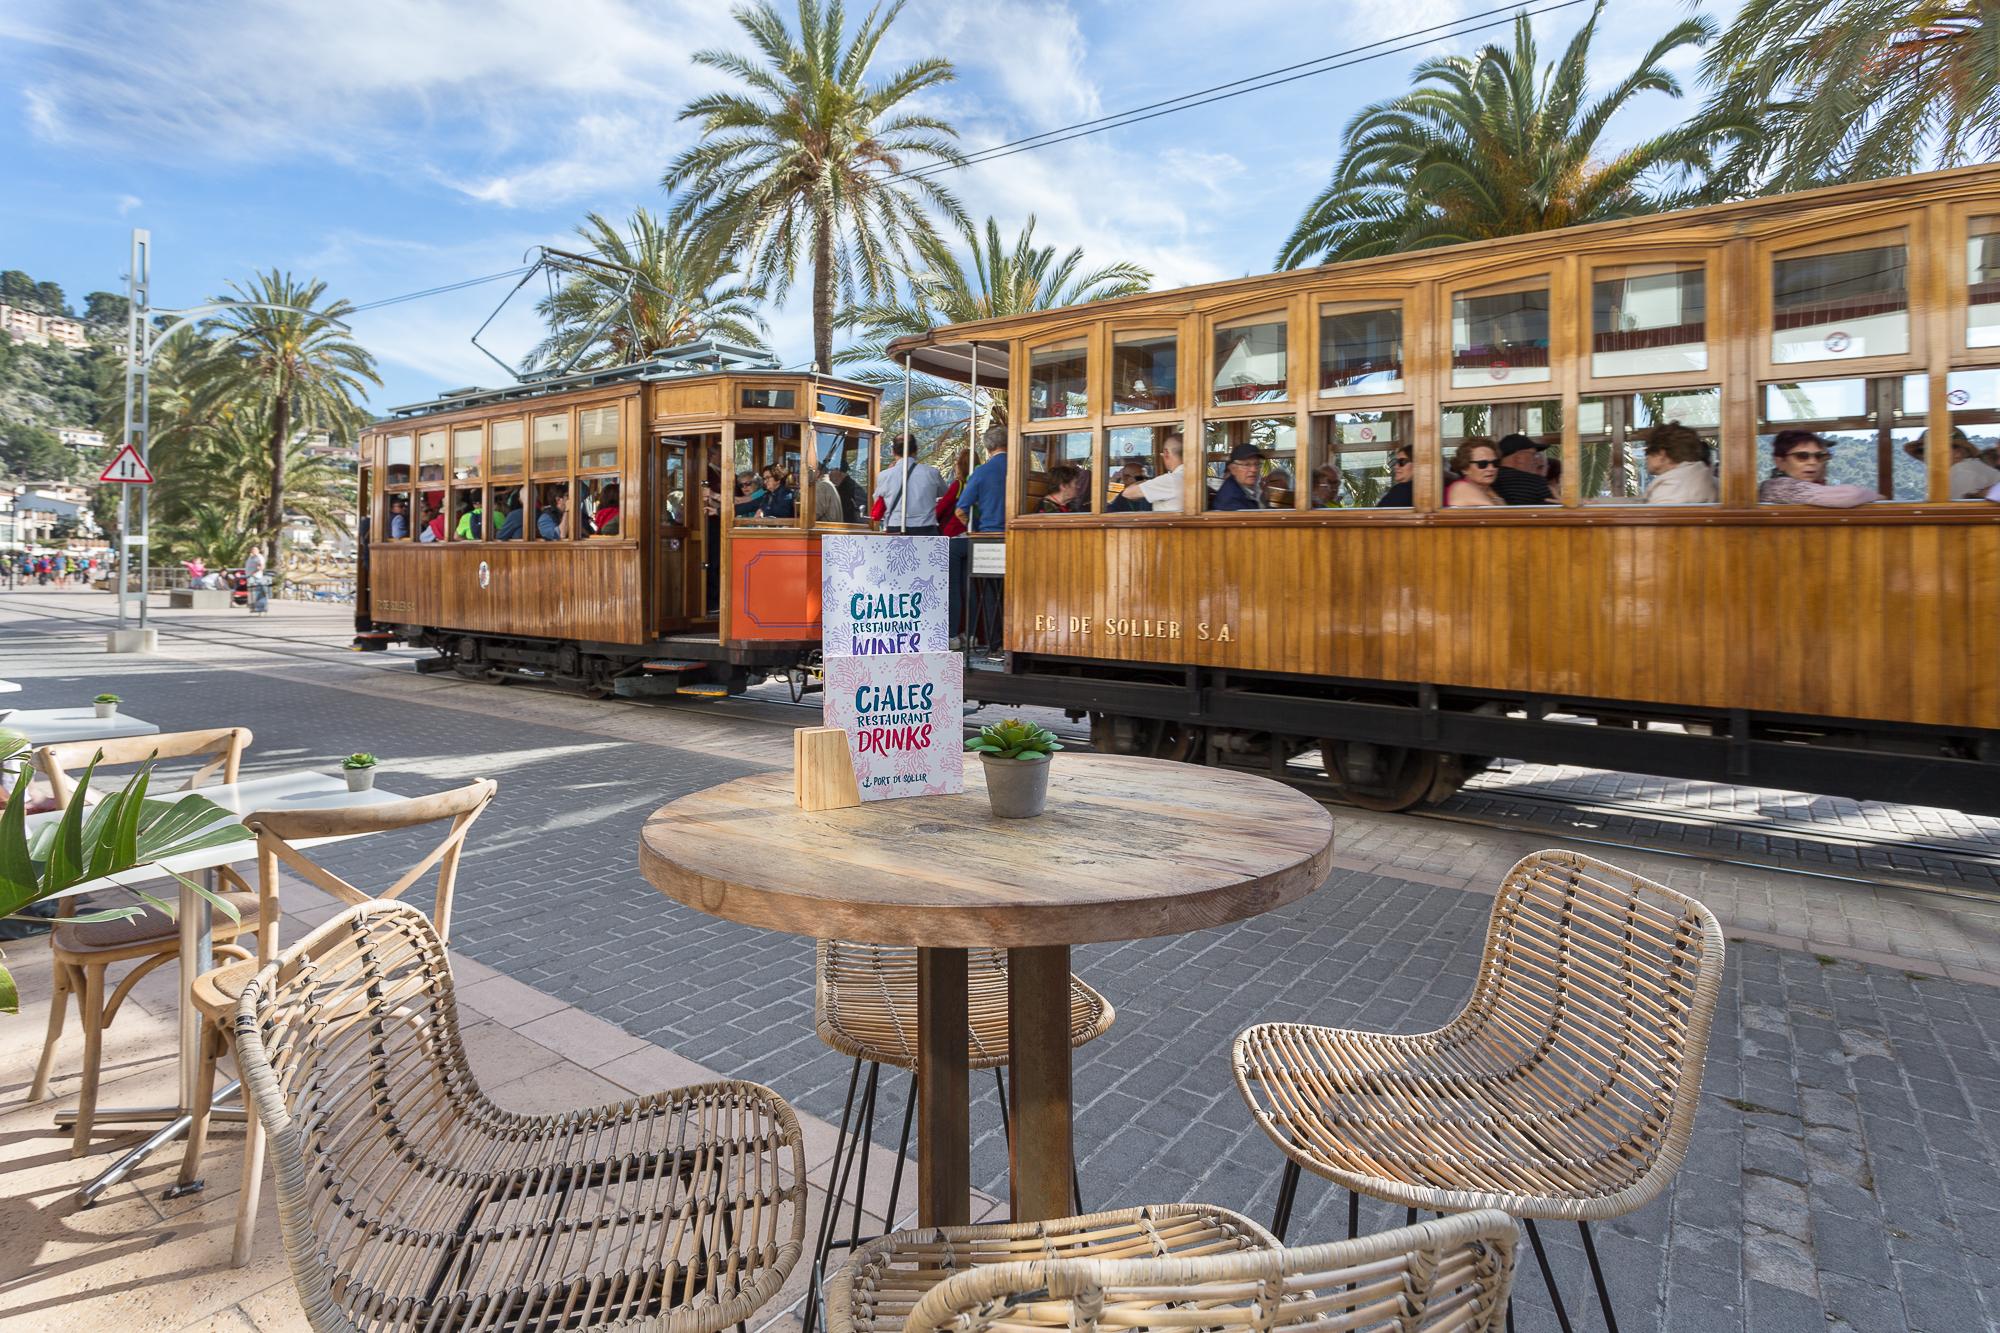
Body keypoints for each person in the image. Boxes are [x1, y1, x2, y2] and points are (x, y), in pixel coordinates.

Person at [1759, 430, 1881, 507]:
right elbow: (1850, 495)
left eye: (1819, 456)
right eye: (1802, 456)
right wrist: (1879, 497)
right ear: (1780, 461)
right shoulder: (1779, 487)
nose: (1813, 462)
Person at [873, 439, 946, 534]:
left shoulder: (884, 475)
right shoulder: (932, 473)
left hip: (895, 526)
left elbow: (877, 500)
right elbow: (945, 495)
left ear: (893, 452)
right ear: (916, 451)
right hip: (925, 527)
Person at [1904, 427, 2000, 498]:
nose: (1926, 455)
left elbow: (1949, 513)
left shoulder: (1963, 471)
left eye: (1934, 449)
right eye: (1922, 451)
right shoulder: (1969, 468)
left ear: (1958, 453)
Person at [1642, 421, 1719, 504]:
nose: (1646, 458)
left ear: (1662, 455)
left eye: (1647, 452)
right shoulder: (1703, 477)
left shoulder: (1669, 491)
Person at [1127, 433, 1186, 512]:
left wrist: (1145, 480)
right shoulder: (1194, 477)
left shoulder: (1170, 480)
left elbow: (1128, 493)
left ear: (1166, 453)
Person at [1491, 433, 1555, 504]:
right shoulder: (1536, 482)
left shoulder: (1489, 481)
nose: (1536, 461)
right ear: (1520, 458)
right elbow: (1555, 512)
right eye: (1533, 454)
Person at [1444, 438, 1505, 507]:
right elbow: (1499, 514)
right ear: (1465, 468)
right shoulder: (1461, 487)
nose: (1491, 468)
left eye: (1495, 463)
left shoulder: (1487, 489)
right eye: (1482, 464)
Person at [1211, 444, 1264, 510]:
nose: (1254, 469)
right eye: (1246, 465)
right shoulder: (1231, 500)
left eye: (1257, 464)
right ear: (1233, 469)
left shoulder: (1250, 488)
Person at [935, 449, 972, 533]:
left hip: (954, 529)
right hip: (971, 530)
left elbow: (942, 507)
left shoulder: (958, 485)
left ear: (960, 466)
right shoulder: (975, 483)